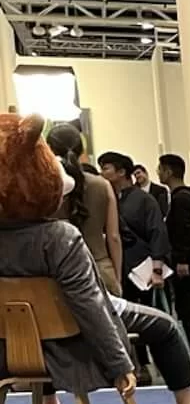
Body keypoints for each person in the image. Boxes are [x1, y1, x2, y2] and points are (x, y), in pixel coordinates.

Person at [0, 115, 190, 404]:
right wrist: (119, 363)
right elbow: (90, 304)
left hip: (14, 336)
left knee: (41, 317)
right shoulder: (60, 236)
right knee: (165, 325)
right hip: (73, 316)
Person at [45, 122, 120, 295]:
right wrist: (116, 277)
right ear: (81, 150)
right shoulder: (103, 185)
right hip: (100, 268)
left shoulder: (44, 187)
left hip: (58, 274)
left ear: (48, 150)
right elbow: (114, 237)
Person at [97, 151, 170, 300]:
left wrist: (157, 270)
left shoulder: (144, 200)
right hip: (120, 268)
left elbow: (157, 232)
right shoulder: (108, 199)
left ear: (121, 172)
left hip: (142, 269)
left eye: (105, 168)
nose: (101, 173)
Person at [157, 155, 190, 359]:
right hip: (189, 261)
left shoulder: (181, 199)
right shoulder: (185, 197)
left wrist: (182, 260)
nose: (158, 172)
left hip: (187, 263)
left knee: (189, 305)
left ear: (169, 172)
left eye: (160, 169)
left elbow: (184, 232)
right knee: (189, 304)